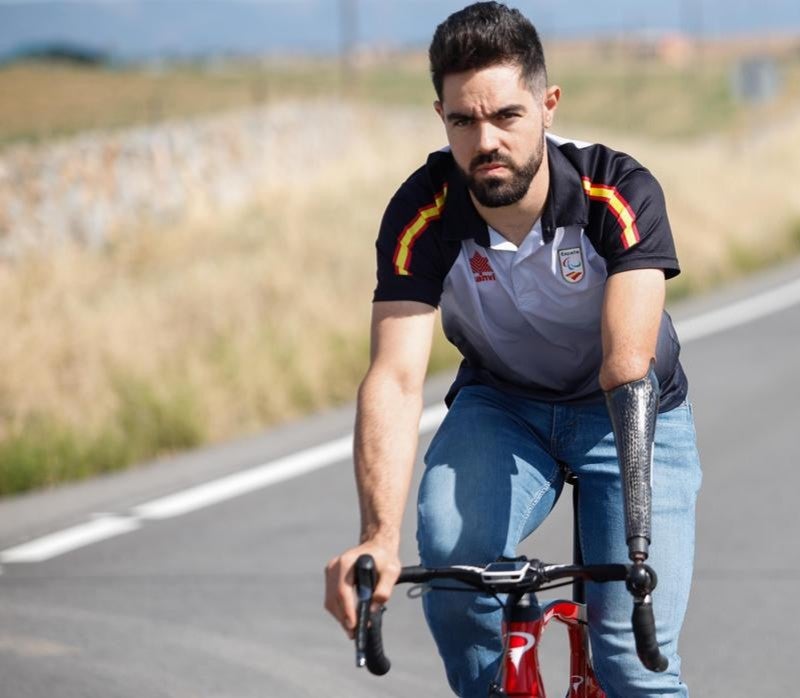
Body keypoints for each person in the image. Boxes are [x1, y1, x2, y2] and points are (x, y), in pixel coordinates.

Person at [322, 3, 701, 695]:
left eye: (506, 116)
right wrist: (378, 536)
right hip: (505, 407)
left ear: (548, 105)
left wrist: (636, 543)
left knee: (631, 659)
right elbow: (397, 377)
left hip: (624, 411)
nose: (484, 140)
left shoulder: (615, 190)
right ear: (441, 116)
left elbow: (626, 363)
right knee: (453, 556)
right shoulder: (423, 212)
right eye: (463, 120)